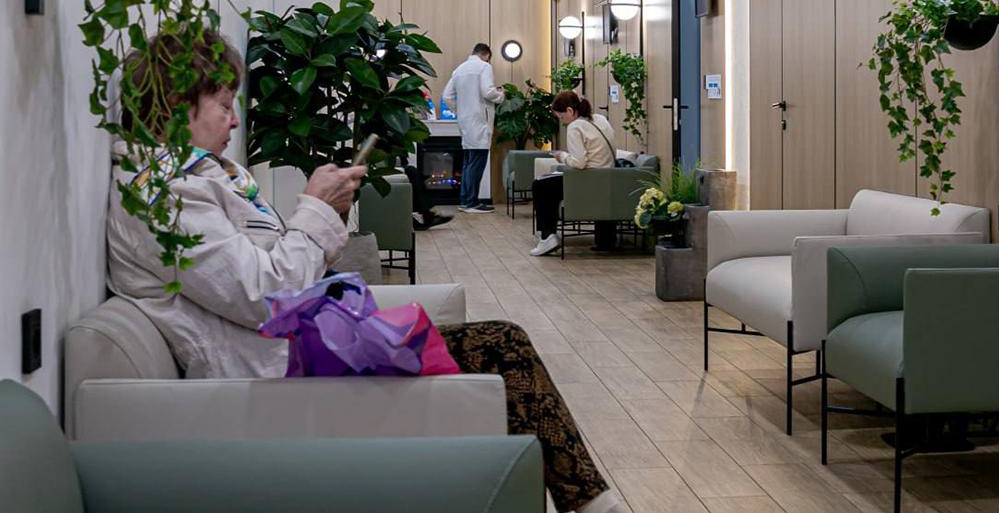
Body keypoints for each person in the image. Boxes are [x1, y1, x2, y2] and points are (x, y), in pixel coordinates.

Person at [106, 33, 623, 513]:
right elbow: (266, 294)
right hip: (283, 375)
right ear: (177, 106)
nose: (235, 122)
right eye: (223, 106)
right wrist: (315, 208)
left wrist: (322, 212)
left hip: (305, 350)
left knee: (504, 351)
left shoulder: (199, 180)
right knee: (505, 347)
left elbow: (270, 273)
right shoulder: (165, 197)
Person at [530, 91, 618, 257]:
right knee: (550, 184)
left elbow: (579, 162)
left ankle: (547, 237)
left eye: (561, 117)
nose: (561, 121)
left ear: (570, 111)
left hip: (587, 181)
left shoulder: (575, 127)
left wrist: (562, 156)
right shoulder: (600, 119)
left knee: (541, 185)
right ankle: (606, 241)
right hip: (608, 179)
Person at [441, 43, 504, 213]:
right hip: (480, 121)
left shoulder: (459, 69)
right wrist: (501, 95)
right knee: (477, 162)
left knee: (469, 162)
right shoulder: (484, 67)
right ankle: (471, 202)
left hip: (465, 121)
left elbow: (446, 96)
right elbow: (488, 92)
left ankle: (465, 200)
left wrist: (460, 110)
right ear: (487, 56)